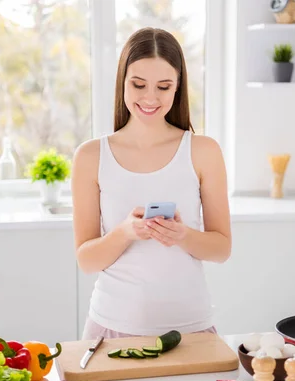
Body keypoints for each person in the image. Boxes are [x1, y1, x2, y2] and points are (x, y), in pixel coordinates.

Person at [71, 27, 232, 340]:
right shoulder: (91, 156)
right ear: (123, 82)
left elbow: (221, 249)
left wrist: (182, 235)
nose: (150, 97)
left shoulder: (203, 151)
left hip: (192, 329)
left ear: (177, 88)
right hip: (111, 328)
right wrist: (125, 233)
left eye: (163, 86)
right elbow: (87, 260)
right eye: (139, 84)